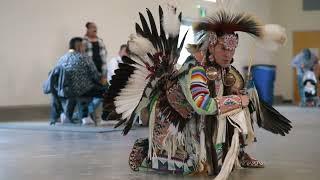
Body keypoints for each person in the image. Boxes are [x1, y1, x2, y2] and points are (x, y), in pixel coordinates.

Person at [105, 4, 291, 179]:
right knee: (193, 167)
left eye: (232, 49)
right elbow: (203, 105)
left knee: (246, 103)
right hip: (174, 121)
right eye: (224, 48)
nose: (228, 54)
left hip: (198, 121)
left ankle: (238, 152)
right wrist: (237, 101)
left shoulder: (225, 70)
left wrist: (246, 99)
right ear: (211, 45)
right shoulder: (196, 72)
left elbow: (236, 101)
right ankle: (145, 153)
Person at [55, 37, 105, 125]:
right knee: (105, 91)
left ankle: (75, 115)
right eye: (83, 46)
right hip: (83, 90)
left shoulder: (61, 59)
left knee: (82, 93)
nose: (85, 48)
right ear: (79, 46)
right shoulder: (84, 58)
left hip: (65, 90)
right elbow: (95, 75)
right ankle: (95, 118)